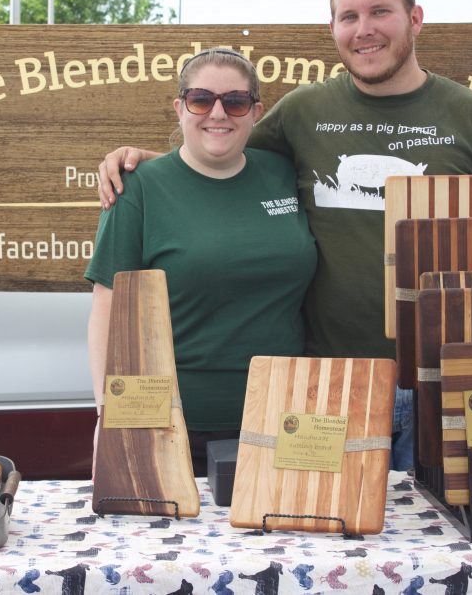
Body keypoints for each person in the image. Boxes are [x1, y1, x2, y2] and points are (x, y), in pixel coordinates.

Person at [96, 0, 472, 473]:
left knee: (450, 545)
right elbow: (220, 150)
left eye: (380, 12)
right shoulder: (304, 112)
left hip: (444, 387)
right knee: (340, 542)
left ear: (415, 20)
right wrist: (152, 167)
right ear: (332, 28)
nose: (364, 29)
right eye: (348, 16)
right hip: (327, 390)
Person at [85, 48, 317, 476]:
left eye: (235, 101)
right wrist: (108, 414)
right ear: (179, 109)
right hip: (172, 427)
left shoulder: (284, 173)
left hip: (286, 420)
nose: (218, 113)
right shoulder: (136, 188)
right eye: (200, 100)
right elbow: (107, 308)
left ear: (255, 112)